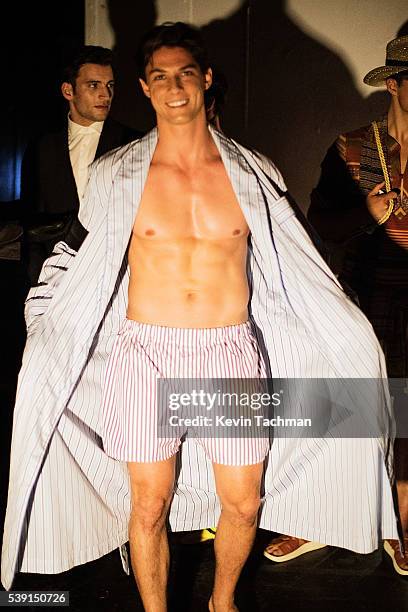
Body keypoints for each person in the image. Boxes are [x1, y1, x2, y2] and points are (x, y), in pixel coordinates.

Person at [1, 22, 399, 609]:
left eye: (185, 72)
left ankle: (223, 602)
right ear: (144, 87)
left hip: (229, 351)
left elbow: (302, 260)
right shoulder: (117, 174)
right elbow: (74, 254)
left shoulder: (255, 173)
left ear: (205, 78)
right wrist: (44, 321)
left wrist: (350, 329)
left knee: (241, 501)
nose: (174, 87)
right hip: (144, 354)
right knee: (150, 503)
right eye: (159, 77)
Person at [307, 34, 408, 575]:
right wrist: (368, 214)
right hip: (364, 297)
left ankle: (404, 525)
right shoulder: (352, 147)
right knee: (348, 412)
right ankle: (324, 518)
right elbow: (319, 225)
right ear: (393, 84)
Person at [21, 44, 142, 284]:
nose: (105, 95)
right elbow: (31, 219)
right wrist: (36, 280)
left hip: (118, 279)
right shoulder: (42, 147)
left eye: (110, 86)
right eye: (93, 85)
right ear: (68, 91)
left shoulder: (133, 143)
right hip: (55, 281)